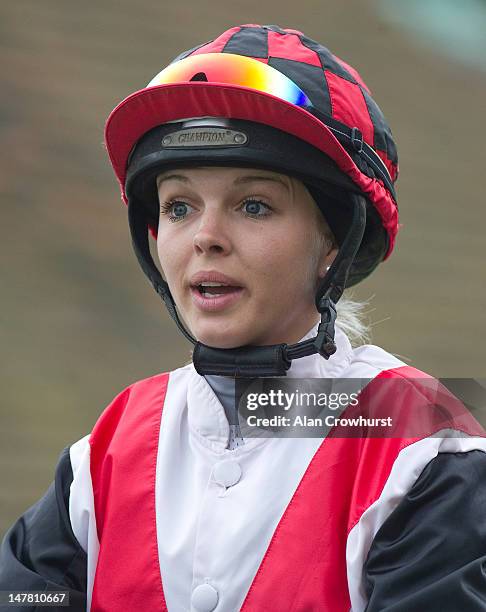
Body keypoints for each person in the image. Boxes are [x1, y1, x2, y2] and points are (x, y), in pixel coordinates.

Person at [1, 24, 486, 612]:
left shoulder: (425, 440)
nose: (206, 238)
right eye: (178, 206)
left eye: (253, 205)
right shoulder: (105, 450)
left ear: (334, 241)